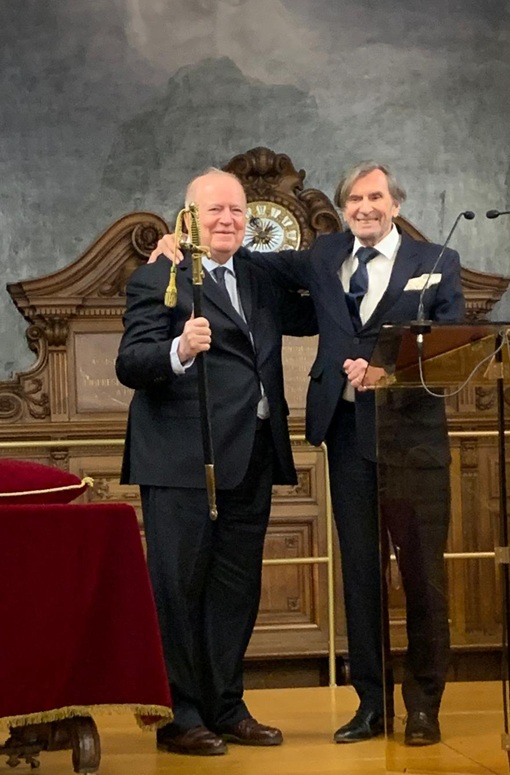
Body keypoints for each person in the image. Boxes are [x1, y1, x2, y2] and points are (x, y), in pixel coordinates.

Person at [151, 161, 465, 746]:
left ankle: (423, 705)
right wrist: (180, 242)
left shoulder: (437, 262)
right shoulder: (324, 255)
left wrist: (389, 375)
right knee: (361, 579)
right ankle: (371, 705)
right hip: (346, 436)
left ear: (395, 204)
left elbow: (451, 354)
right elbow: (239, 260)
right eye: (354, 199)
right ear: (344, 209)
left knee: (424, 579)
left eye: (375, 197)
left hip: (413, 444)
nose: (364, 207)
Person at [115, 168, 316, 756]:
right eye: (214, 211)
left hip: (252, 454)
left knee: (236, 589)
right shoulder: (161, 275)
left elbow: (321, 292)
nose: (227, 219)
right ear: (189, 218)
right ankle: (179, 716)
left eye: (236, 210)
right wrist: (178, 350)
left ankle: (227, 707)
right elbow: (132, 362)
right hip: (181, 461)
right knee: (178, 590)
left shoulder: (259, 278)